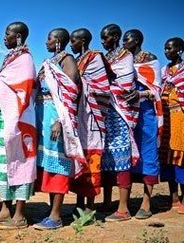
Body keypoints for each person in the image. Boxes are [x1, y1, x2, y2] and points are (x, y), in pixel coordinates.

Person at [0, 22, 37, 229]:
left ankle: (20, 214)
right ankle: (5, 209)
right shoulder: (10, 58)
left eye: (8, 34)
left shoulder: (25, 60)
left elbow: (26, 88)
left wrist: (14, 118)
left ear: (19, 36)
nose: (4, 37)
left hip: (19, 121)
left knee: (21, 163)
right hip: (1, 119)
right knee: (2, 165)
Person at [33, 28, 84, 230]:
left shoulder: (68, 60)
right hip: (43, 117)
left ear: (59, 42)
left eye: (49, 38)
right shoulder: (49, 62)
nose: (46, 41)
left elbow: (72, 93)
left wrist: (61, 122)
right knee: (48, 164)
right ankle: (53, 210)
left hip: (56, 118)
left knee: (58, 163)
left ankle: (56, 217)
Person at [69, 28, 112, 213]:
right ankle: (79, 203)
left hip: (92, 116)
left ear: (83, 41)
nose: (71, 45)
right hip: (79, 115)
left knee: (92, 158)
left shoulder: (95, 58)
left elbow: (102, 87)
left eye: (74, 41)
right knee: (80, 157)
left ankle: (90, 206)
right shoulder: (77, 60)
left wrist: (79, 82)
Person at [99, 24, 139, 222]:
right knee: (106, 160)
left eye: (105, 37)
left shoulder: (125, 57)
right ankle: (107, 202)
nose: (102, 41)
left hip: (120, 114)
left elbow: (125, 85)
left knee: (122, 158)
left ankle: (123, 209)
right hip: (105, 113)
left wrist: (103, 85)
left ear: (115, 37)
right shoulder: (105, 58)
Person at [123, 29, 162, 220]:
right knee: (128, 154)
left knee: (148, 154)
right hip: (127, 113)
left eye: (127, 39)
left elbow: (157, 88)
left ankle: (146, 202)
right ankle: (125, 202)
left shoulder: (150, 58)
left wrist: (140, 94)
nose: (123, 42)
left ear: (137, 40)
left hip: (146, 113)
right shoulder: (124, 60)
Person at [159, 37, 184, 214]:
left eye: (170, 48)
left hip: (180, 117)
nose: (167, 51)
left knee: (181, 156)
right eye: (165, 49)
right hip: (166, 117)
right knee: (167, 157)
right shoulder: (163, 71)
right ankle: (173, 198)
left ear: (180, 50)